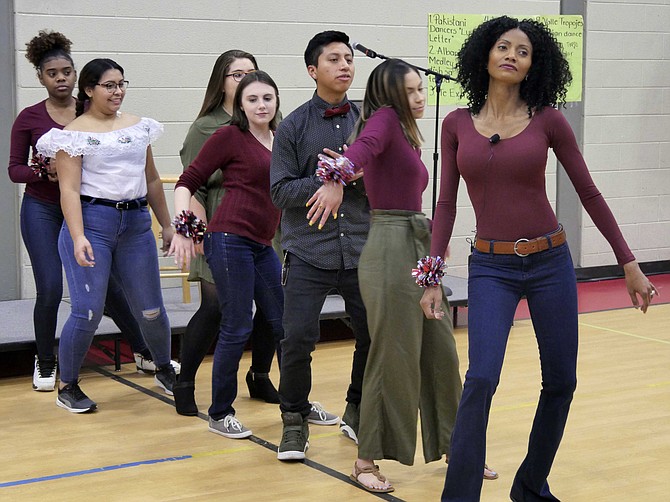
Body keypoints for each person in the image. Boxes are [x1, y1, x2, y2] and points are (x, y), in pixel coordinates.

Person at [420, 16, 658, 501]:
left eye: (522, 51)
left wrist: (627, 262)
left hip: (550, 263)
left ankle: (530, 486)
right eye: (503, 47)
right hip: (491, 266)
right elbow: (445, 205)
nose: (511, 55)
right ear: (484, 55)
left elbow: (588, 192)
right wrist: (431, 275)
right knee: (481, 377)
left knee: (561, 381)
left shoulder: (549, 120)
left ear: (534, 65)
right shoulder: (457, 124)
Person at [313, 59, 496, 494]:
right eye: (412, 90)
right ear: (393, 94)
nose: (420, 97)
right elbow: (361, 149)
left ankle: (458, 447)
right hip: (390, 246)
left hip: (414, 240)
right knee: (392, 354)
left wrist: (430, 238)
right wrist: (339, 172)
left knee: (440, 352)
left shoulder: (407, 134)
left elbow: (376, 168)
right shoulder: (384, 119)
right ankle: (364, 459)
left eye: (421, 89)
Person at [7, 30, 174, 393]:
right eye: (108, 85)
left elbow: (153, 180)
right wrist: (79, 233)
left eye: (121, 84)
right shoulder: (63, 132)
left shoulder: (137, 126)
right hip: (72, 214)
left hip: (132, 222)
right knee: (69, 300)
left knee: (148, 306)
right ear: (90, 90)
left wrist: (167, 224)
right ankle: (57, 372)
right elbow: (63, 187)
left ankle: (160, 363)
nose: (117, 91)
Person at [270, 30, 371, 460]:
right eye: (333, 59)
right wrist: (327, 178)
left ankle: (357, 409)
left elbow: (399, 180)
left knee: (372, 336)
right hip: (309, 249)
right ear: (313, 70)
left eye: (349, 58)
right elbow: (279, 192)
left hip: (363, 248)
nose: (345, 65)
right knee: (297, 340)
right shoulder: (293, 125)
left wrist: (360, 176)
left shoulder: (371, 120)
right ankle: (294, 422)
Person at [171, 71, 283, 438]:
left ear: (276, 100)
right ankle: (220, 412)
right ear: (240, 105)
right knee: (237, 325)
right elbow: (189, 181)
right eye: (252, 99)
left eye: (267, 98)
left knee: (284, 324)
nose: (261, 105)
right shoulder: (229, 136)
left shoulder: (282, 140)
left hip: (263, 243)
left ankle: (296, 404)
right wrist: (185, 226)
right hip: (229, 239)